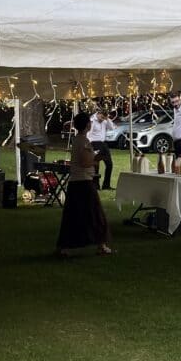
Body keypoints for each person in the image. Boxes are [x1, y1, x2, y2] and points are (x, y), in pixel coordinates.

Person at [55, 112, 112, 257]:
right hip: (84, 182)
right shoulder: (84, 141)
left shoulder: (77, 140)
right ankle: (101, 244)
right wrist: (97, 159)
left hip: (75, 181)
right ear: (87, 125)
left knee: (72, 215)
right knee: (95, 213)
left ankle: (64, 247)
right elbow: (85, 162)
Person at [88, 108, 116, 190]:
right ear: (98, 113)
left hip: (103, 143)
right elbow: (88, 134)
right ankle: (95, 185)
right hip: (94, 143)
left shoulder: (105, 120)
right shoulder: (92, 120)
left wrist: (107, 119)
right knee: (96, 165)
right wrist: (89, 146)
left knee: (109, 164)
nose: (102, 119)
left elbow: (112, 128)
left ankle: (106, 185)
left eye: (104, 118)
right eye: (102, 117)